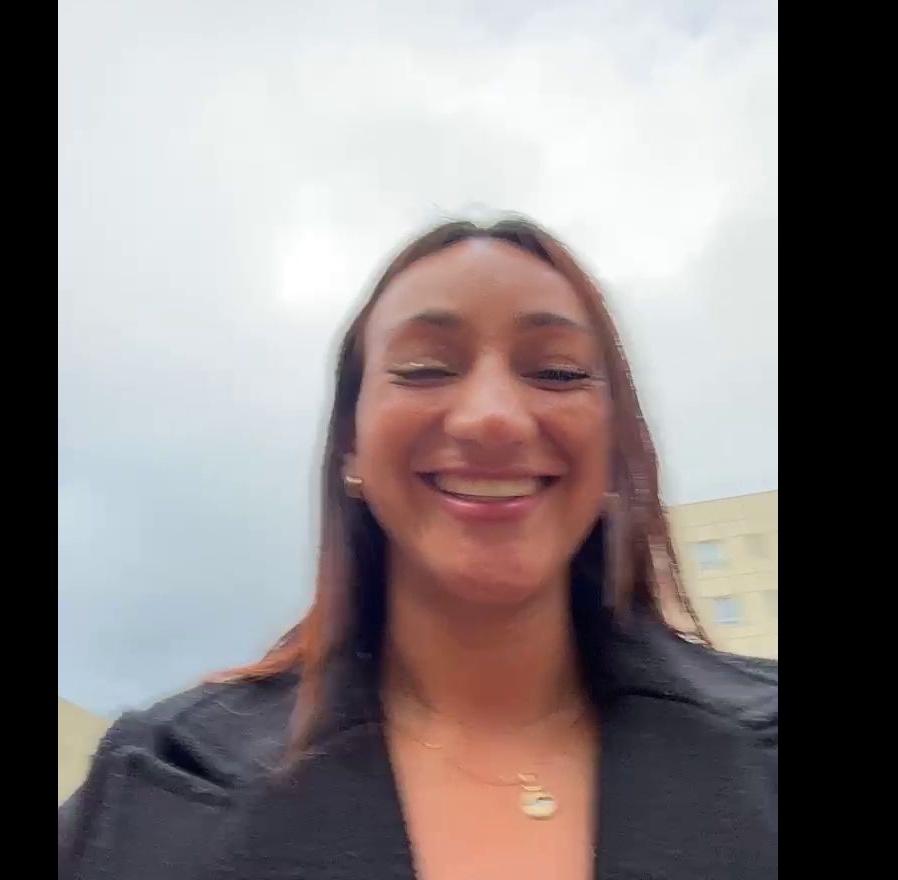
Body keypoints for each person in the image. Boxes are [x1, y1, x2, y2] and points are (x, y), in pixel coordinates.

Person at [58, 220, 777, 880]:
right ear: (351, 444)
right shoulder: (150, 790)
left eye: (556, 372)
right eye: (426, 368)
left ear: (615, 442)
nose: (493, 417)